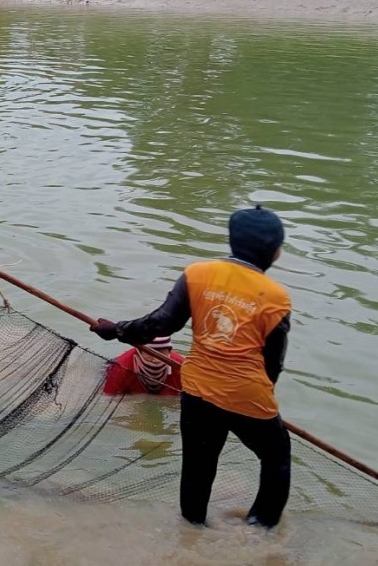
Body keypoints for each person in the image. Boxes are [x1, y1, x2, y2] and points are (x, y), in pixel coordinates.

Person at [91, 205, 292, 530]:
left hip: (197, 391)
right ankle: (259, 531)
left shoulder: (197, 274)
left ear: (233, 241)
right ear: (275, 252)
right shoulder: (276, 297)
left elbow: (159, 323)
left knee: (198, 465)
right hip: (248, 397)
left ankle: (193, 528)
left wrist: (115, 330)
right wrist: (264, 406)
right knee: (276, 458)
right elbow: (273, 365)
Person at [101, 336, 185, 396]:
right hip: (110, 369)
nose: (156, 359)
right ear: (139, 352)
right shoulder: (121, 367)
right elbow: (108, 396)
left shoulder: (181, 367)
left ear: (169, 351)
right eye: (150, 353)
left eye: (162, 352)